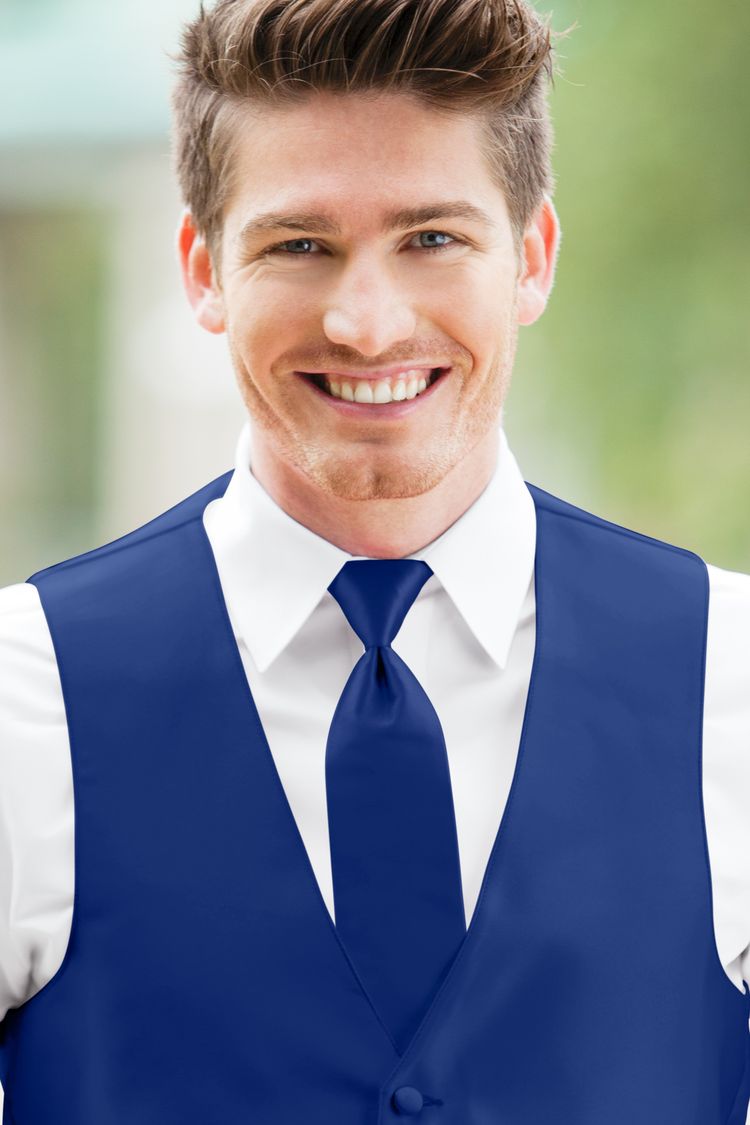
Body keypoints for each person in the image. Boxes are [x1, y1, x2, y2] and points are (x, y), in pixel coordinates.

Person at [0, 0, 748, 1120]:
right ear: (203, 269)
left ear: (532, 258)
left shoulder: (731, 676)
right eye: (300, 244)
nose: (366, 322)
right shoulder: (23, 699)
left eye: (432, 239)